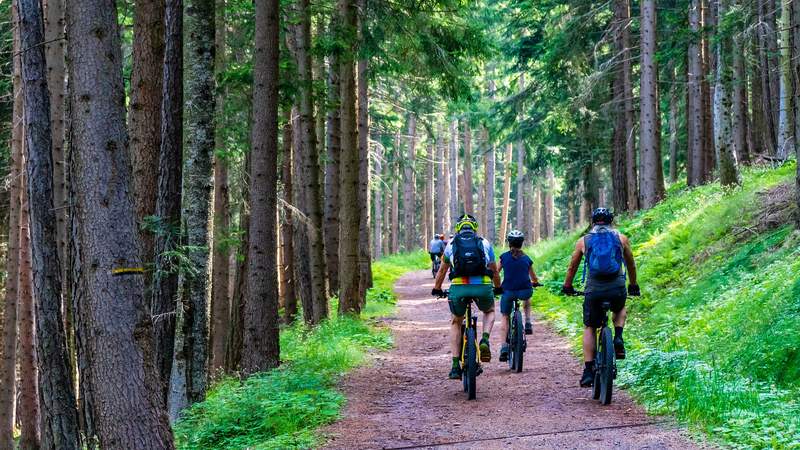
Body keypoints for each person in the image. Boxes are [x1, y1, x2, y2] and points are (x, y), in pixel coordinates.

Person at [561, 207, 640, 388]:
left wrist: (567, 286)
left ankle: (588, 370)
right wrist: (633, 285)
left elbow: (572, 267)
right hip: (616, 287)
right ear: (611, 221)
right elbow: (631, 264)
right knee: (619, 308)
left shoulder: (584, 241)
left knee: (590, 326)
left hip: (594, 290)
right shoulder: (621, 239)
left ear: (593, 221)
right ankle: (618, 337)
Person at [432, 214, 502, 380]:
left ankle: (455, 366)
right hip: (482, 287)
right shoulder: (484, 243)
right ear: (474, 227)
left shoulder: (451, 244)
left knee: (456, 321)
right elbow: (493, 269)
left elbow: (442, 270)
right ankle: (484, 339)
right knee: (490, 310)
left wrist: (437, 288)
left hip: (459, 288)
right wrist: (498, 287)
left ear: (458, 228)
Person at [496, 230, 541, 362]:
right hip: (524, 291)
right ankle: (527, 321)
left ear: (509, 243)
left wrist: (496, 286)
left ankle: (504, 346)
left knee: (505, 316)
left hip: (508, 292)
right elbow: (533, 277)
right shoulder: (527, 259)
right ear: (522, 243)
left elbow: (496, 273)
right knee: (527, 296)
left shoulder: (503, 257)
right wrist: (536, 283)